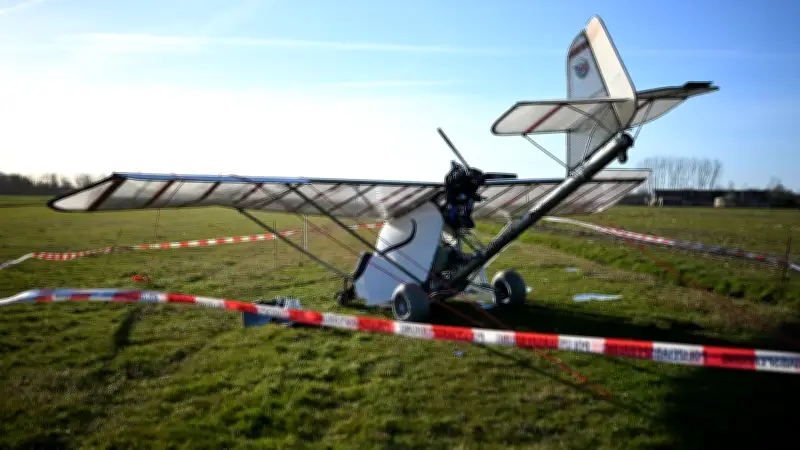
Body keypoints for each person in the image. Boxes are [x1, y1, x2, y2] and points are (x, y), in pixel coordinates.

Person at [443, 161, 485, 230]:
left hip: (459, 195)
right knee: (453, 205)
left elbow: (470, 192)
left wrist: (476, 197)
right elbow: (452, 189)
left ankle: (465, 218)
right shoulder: (456, 177)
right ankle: (452, 220)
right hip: (454, 196)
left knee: (469, 201)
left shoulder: (472, 181)